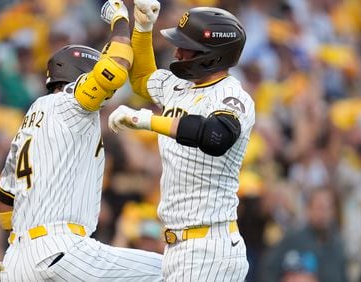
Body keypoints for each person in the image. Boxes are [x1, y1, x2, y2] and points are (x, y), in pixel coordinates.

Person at [0, 1, 163, 281]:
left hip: (17, 262)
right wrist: (120, 19)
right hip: (62, 249)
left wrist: (28, 252)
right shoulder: (70, 103)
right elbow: (116, 70)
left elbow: (4, 210)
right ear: (79, 76)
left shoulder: (32, 118)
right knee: (174, 271)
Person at [107, 1, 254, 281]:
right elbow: (141, 79)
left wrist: (147, 121)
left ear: (211, 55)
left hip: (210, 247)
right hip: (179, 246)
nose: (177, 51)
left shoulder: (232, 95)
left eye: (186, 47)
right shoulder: (180, 85)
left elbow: (216, 135)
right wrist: (143, 27)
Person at [261, 189, 347, 282]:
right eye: (319, 207)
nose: (323, 213)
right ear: (308, 210)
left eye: (328, 208)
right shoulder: (292, 239)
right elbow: (267, 270)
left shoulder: (337, 245)